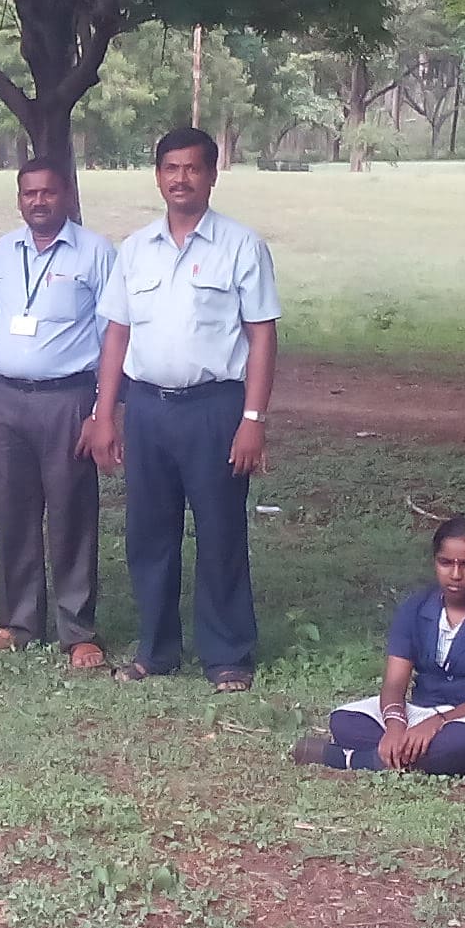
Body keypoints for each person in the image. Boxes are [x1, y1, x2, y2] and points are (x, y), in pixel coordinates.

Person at [89, 128, 281, 691]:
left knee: (220, 532)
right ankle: (156, 648)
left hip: (215, 410)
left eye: (193, 168)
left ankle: (227, 654)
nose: (181, 179)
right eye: (170, 168)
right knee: (149, 533)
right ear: (157, 175)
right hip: (148, 408)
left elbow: (262, 336)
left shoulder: (241, 246)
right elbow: (116, 336)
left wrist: (253, 420)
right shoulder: (135, 249)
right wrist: (105, 414)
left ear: (212, 175)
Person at [0, 160, 116, 668]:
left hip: (67, 400)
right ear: (19, 198)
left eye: (48, 192)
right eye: (29, 193)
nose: (38, 201)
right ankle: (17, 622)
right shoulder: (6, 252)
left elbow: (111, 336)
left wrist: (100, 411)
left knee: (72, 513)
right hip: (8, 399)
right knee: (13, 512)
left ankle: (78, 631)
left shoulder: (95, 253)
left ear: (65, 195)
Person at [292, 515, 465, 775]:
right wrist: (395, 726)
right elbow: (394, 684)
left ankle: (354, 760)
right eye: (446, 563)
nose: (456, 574)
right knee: (345, 721)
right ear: (434, 562)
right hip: (422, 709)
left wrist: (436, 724)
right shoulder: (416, 607)